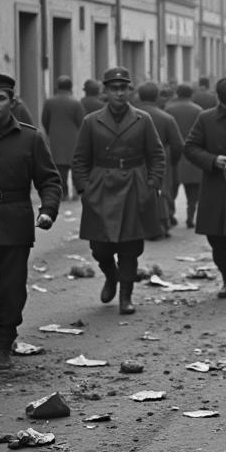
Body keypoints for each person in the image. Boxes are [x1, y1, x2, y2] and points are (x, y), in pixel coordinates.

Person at [0, 73, 62, 369]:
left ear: (12, 102)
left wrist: (48, 209)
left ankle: (5, 343)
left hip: (15, 222)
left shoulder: (31, 138)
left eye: (0, 99)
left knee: (10, 289)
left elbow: (49, 180)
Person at [71, 67, 166, 315]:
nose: (119, 93)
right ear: (105, 91)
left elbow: (156, 155)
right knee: (100, 247)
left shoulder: (142, 119)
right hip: (101, 186)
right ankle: (110, 275)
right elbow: (80, 159)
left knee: (130, 246)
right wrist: (84, 189)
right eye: (114, 88)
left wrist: (152, 184)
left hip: (134, 184)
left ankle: (126, 296)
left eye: (124, 88)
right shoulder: (91, 121)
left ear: (130, 91)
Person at [184, 77, 226, 306]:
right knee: (217, 243)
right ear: (218, 99)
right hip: (214, 189)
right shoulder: (205, 119)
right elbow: (190, 147)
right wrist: (213, 160)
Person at [135, 81, 184, 236]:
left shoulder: (130, 116)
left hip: (134, 160)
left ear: (139, 96)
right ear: (156, 96)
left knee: (136, 191)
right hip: (160, 160)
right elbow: (177, 144)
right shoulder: (166, 118)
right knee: (161, 191)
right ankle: (162, 223)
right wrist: (173, 161)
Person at [41, 77, 85, 201]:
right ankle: (76, 191)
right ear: (70, 87)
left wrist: (50, 132)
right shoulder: (75, 103)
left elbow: (45, 120)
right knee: (75, 166)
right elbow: (81, 121)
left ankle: (63, 192)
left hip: (56, 139)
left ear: (57, 87)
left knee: (60, 168)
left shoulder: (49, 102)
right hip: (73, 138)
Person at [166, 84, 203, 228]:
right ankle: (190, 216)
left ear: (177, 93)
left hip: (174, 153)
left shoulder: (169, 109)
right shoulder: (198, 110)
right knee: (193, 190)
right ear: (191, 94)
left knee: (172, 188)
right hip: (192, 153)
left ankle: (170, 214)